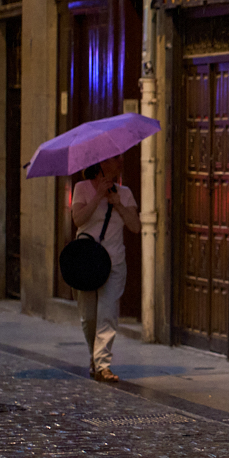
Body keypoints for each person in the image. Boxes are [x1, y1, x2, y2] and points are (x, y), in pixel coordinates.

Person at [70, 156, 139, 382]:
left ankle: (103, 364)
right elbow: (78, 220)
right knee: (88, 317)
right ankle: (95, 356)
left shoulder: (125, 193)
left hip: (114, 262)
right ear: (100, 163)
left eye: (120, 158)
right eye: (114, 159)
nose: (119, 162)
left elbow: (135, 227)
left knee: (107, 313)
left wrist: (117, 203)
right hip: (86, 261)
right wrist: (98, 196)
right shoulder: (81, 188)